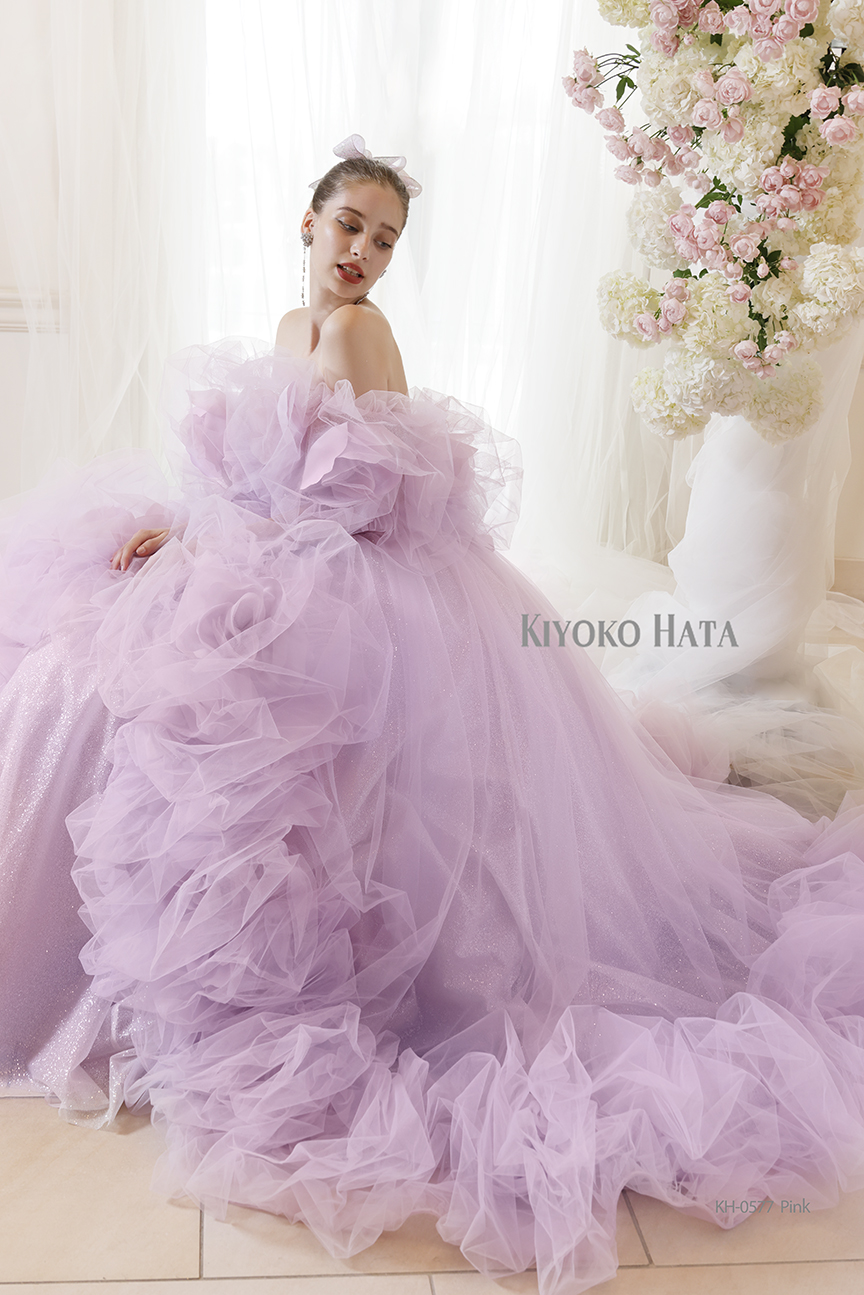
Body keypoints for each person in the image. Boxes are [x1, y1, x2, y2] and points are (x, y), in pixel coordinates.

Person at [1, 136, 864, 1295]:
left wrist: (258, 556)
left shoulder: (363, 337)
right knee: (98, 656)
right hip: (271, 565)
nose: (362, 251)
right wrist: (196, 530)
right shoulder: (289, 327)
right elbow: (256, 484)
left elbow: (390, 504)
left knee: (240, 736)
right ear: (307, 223)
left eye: (384, 238)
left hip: (359, 588)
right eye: (349, 225)